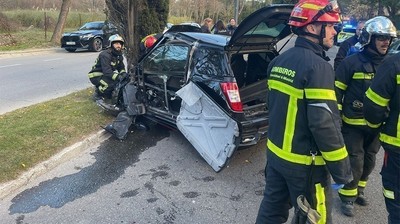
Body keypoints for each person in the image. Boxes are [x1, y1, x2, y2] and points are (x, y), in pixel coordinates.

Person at [255, 0, 353, 223]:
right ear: (311, 28)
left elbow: (274, 107)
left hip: (276, 158)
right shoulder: (318, 68)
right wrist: (342, 171)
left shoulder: (278, 62)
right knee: (315, 218)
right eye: (329, 26)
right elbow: (324, 124)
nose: (334, 31)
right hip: (305, 167)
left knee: (270, 213)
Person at [334, 16, 397, 217]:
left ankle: (358, 190)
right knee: (355, 160)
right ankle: (347, 197)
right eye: (380, 37)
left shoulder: (389, 65)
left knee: (370, 160)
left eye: (388, 38)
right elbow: (336, 92)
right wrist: (336, 118)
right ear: (369, 38)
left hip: (377, 125)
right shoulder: (351, 63)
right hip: (352, 124)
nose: (385, 42)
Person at [363, 52, 400, 224]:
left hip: (397, 149)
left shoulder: (394, 64)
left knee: (396, 197)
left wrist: (373, 127)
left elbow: (373, 105)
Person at [88, 34, 127, 102]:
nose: (119, 46)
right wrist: (118, 77)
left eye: (120, 44)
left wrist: (123, 74)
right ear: (111, 44)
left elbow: (121, 67)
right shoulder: (105, 55)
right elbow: (107, 71)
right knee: (110, 85)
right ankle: (98, 93)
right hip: (96, 75)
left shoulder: (118, 55)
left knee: (118, 83)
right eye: (116, 44)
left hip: (106, 74)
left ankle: (107, 94)